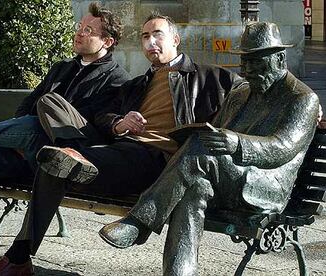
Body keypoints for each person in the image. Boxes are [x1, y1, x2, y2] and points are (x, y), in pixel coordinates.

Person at [0, 13, 244, 276]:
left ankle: (71, 163)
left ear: (175, 40)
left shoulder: (210, 78)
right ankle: (19, 259)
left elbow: (250, 96)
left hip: (161, 162)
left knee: (59, 162)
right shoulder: (136, 85)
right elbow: (102, 117)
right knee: (54, 160)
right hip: (120, 152)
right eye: (145, 36)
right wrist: (120, 123)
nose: (151, 42)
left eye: (157, 34)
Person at [98, 22, 320, 276]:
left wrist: (235, 143)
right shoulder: (241, 92)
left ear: (280, 58)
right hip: (228, 178)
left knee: (200, 149)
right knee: (196, 186)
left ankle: (139, 221)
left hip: (265, 185)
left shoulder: (302, 98)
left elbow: (281, 148)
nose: (247, 70)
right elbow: (217, 129)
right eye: (244, 62)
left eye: (256, 62)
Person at [0, 2, 129, 263]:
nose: (80, 33)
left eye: (89, 30)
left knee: (40, 115)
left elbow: (92, 128)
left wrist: (33, 127)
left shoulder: (117, 79)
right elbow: (26, 106)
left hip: (65, 160)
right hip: (27, 151)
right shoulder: (62, 68)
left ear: (107, 41)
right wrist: (14, 139)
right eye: (80, 27)